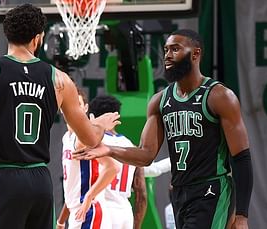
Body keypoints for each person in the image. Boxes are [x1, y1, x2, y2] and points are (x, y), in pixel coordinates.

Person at [0, 4, 120, 229]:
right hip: (40, 181)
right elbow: (92, 139)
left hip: (2, 179)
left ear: (7, 34)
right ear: (38, 38)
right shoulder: (60, 80)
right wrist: (99, 125)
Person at [74, 29, 253, 229]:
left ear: (195, 54)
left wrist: (242, 215)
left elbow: (241, 158)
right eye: (166, 49)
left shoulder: (219, 96)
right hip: (179, 191)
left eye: (175, 49)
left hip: (211, 189)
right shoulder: (160, 101)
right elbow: (146, 154)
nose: (167, 55)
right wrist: (109, 149)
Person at [57, 91, 120, 229]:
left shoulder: (85, 139)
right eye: (69, 104)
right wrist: (61, 222)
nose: (73, 108)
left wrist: (89, 196)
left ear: (85, 108)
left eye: (77, 104)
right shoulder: (66, 137)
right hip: (77, 211)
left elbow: (113, 168)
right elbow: (72, 187)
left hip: (90, 211)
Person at [88, 95, 147, 229]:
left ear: (92, 116)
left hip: (103, 210)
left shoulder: (96, 143)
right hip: (125, 212)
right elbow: (141, 193)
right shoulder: (131, 146)